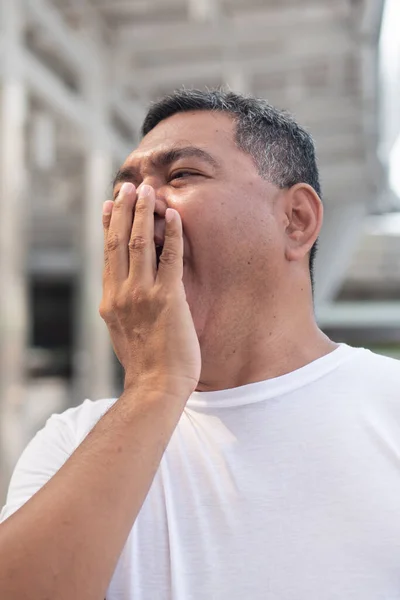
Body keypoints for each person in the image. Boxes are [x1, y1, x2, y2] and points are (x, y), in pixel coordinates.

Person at [1, 89, 400, 600]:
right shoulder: (71, 441)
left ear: (296, 219)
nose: (137, 205)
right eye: (124, 189)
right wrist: (154, 388)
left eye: (181, 175)